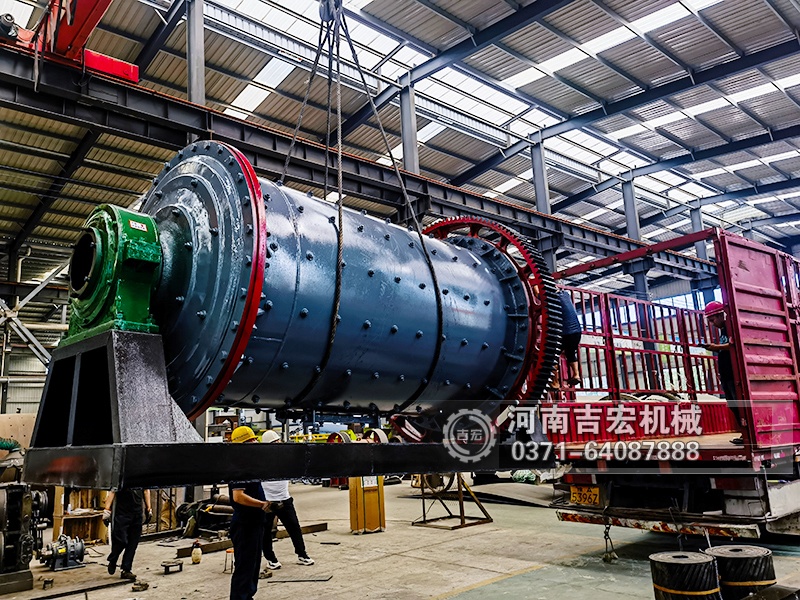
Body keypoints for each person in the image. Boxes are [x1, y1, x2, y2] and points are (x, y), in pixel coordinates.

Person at [260, 430, 315, 572]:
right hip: (267, 501)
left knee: (294, 528)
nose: (278, 444)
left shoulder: (285, 457)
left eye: (278, 441)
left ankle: (302, 555)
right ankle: (271, 559)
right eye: (274, 442)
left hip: (284, 499)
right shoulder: (261, 460)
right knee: (265, 532)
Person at [228, 426, 270, 600]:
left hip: (254, 522)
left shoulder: (249, 463)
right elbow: (238, 496)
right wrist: (262, 504)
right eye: (252, 440)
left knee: (252, 566)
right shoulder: (240, 466)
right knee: (245, 568)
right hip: (245, 524)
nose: (255, 443)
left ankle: (247, 596)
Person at [703, 301, 744, 445]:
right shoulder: (723, 330)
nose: (712, 324)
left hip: (734, 374)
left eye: (712, 320)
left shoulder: (730, 327)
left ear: (720, 315)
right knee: (733, 404)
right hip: (727, 375)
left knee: (739, 404)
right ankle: (745, 432)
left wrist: (715, 347)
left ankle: (747, 433)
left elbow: (734, 344)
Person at [103, 487, 152, 580]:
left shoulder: (142, 478)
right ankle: (113, 559)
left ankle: (126, 569)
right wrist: (107, 510)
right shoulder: (122, 478)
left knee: (133, 543)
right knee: (121, 540)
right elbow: (113, 491)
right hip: (122, 513)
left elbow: (146, 490)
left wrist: (148, 508)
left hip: (137, 513)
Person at [557, 290, 582, 387]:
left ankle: (555, 383)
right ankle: (576, 375)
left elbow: (539, 296)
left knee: (552, 355)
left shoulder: (552, 297)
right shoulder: (566, 294)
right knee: (571, 353)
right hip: (577, 331)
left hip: (565, 332)